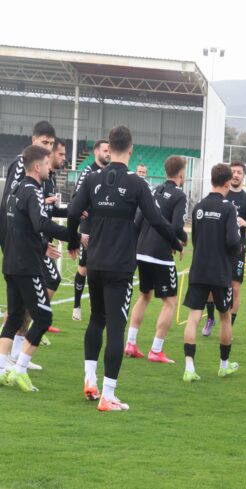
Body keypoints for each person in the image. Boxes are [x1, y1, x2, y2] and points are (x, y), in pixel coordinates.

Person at [68, 126, 182, 412]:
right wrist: (176, 242)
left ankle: (90, 379)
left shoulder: (92, 178)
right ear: (130, 149)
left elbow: (72, 212)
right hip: (119, 267)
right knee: (116, 327)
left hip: (94, 263)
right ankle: (108, 395)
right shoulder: (136, 183)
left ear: (110, 147)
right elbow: (156, 219)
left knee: (96, 320)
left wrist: (72, 240)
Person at [0, 145, 72, 392]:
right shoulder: (32, 190)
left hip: (11, 263)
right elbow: (40, 222)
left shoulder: (16, 190)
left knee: (15, 317)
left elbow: (21, 227)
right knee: (43, 318)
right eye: (48, 164)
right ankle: (20, 370)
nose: (50, 168)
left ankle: (1, 369)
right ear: (38, 166)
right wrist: (72, 235)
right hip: (27, 267)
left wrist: (41, 244)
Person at [0, 121, 56, 369]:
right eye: (44, 143)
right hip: (20, 248)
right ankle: (15, 358)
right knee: (31, 310)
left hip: (24, 248)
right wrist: (10, 243)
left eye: (51, 144)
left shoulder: (41, 178)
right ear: (33, 141)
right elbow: (10, 205)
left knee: (19, 308)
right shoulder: (21, 168)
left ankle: (11, 356)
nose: (49, 148)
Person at [181, 164, 242, 382]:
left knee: (193, 317)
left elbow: (196, 239)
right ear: (227, 183)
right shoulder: (228, 208)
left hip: (199, 268)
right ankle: (224, 365)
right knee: (225, 316)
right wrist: (236, 251)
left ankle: (189, 368)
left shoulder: (199, 206)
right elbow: (233, 240)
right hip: (220, 271)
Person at [125, 156, 189, 363]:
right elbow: (177, 227)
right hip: (160, 255)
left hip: (141, 251)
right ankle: (156, 350)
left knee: (144, 295)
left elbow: (137, 221)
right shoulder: (179, 195)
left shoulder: (153, 190)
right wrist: (182, 241)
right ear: (181, 174)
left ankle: (131, 343)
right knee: (170, 301)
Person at [202, 161, 246, 335]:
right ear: (228, 175)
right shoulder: (220, 194)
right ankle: (210, 318)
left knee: (235, 287)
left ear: (243, 176)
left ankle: (228, 327)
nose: (236, 175)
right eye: (233, 172)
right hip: (217, 249)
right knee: (211, 284)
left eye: (239, 172)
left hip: (237, 250)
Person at [72, 139, 110, 322]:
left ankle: (98, 305)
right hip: (88, 227)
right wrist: (84, 209)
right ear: (96, 152)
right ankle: (76, 306)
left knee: (102, 267)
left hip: (104, 228)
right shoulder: (88, 171)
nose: (108, 153)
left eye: (109, 150)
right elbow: (76, 197)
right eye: (105, 150)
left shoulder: (111, 173)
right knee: (84, 268)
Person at [40, 138, 69, 335]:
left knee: (45, 282)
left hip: (44, 239)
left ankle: (39, 319)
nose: (64, 158)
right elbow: (33, 207)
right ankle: (39, 319)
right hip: (36, 242)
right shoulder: (39, 179)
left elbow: (51, 210)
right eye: (61, 154)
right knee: (52, 279)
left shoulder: (50, 179)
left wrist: (74, 211)